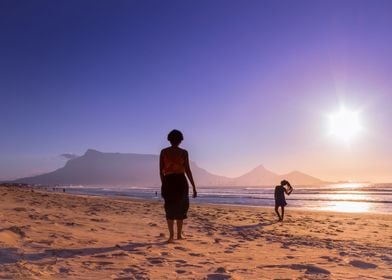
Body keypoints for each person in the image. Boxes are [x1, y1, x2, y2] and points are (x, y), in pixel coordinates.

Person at [160, 129, 197, 243]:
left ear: (169, 139)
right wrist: (194, 187)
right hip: (181, 181)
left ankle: (171, 236)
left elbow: (161, 171)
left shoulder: (164, 152)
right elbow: (188, 171)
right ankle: (179, 235)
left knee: (169, 208)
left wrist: (164, 184)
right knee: (181, 207)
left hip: (168, 180)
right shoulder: (184, 152)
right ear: (181, 140)